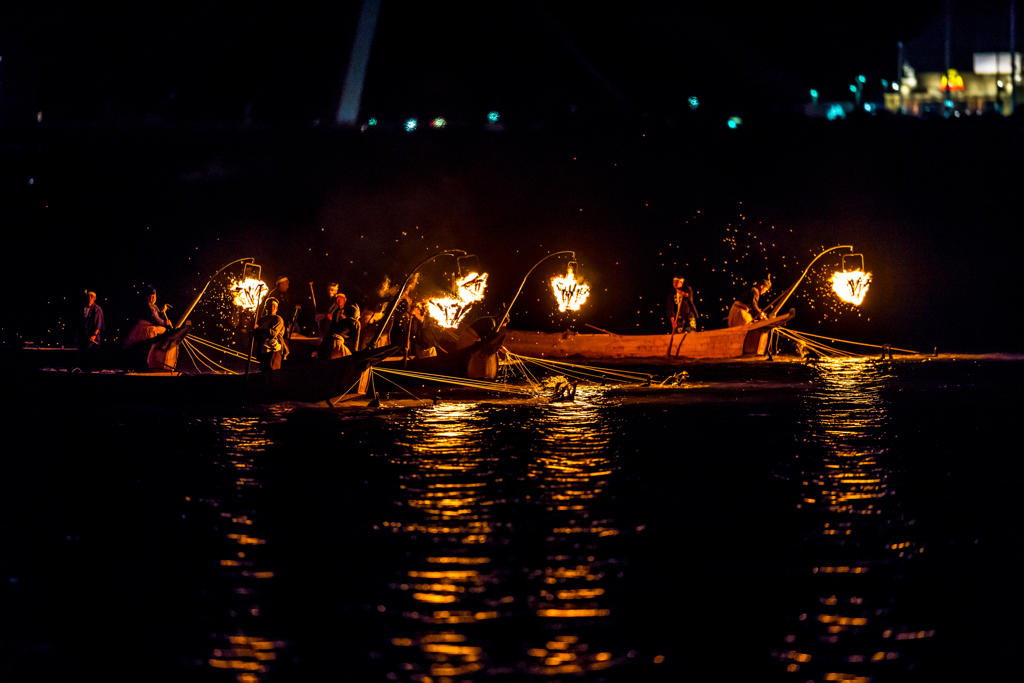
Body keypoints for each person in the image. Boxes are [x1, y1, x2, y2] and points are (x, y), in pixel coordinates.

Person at [124, 285, 178, 369]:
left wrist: (163, 311)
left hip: (152, 329)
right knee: (144, 348)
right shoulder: (147, 306)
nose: (153, 299)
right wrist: (165, 323)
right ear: (147, 297)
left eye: (154, 297)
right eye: (151, 297)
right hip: (144, 330)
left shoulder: (154, 306)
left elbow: (158, 316)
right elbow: (154, 318)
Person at [255, 297, 287, 371]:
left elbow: (273, 333)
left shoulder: (278, 319)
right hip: (263, 350)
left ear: (277, 308)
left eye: (274, 305)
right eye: (270, 305)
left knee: (273, 372)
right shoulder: (261, 320)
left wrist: (260, 329)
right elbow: (257, 335)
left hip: (274, 351)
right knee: (263, 371)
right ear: (266, 307)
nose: (272, 307)